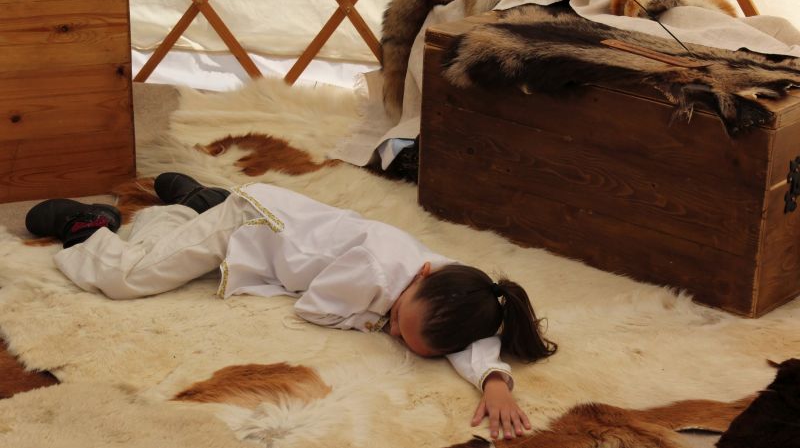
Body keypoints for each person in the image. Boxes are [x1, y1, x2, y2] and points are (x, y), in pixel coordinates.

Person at [25, 172, 557, 440]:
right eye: (395, 321)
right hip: (248, 225)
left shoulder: (455, 283)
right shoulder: (374, 270)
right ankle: (87, 226)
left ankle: (195, 202)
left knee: (175, 255)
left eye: (402, 338)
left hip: (282, 224)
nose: (391, 331)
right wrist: (373, 321)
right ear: (421, 276)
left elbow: (471, 325)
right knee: (130, 278)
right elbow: (315, 309)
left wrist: (493, 380)